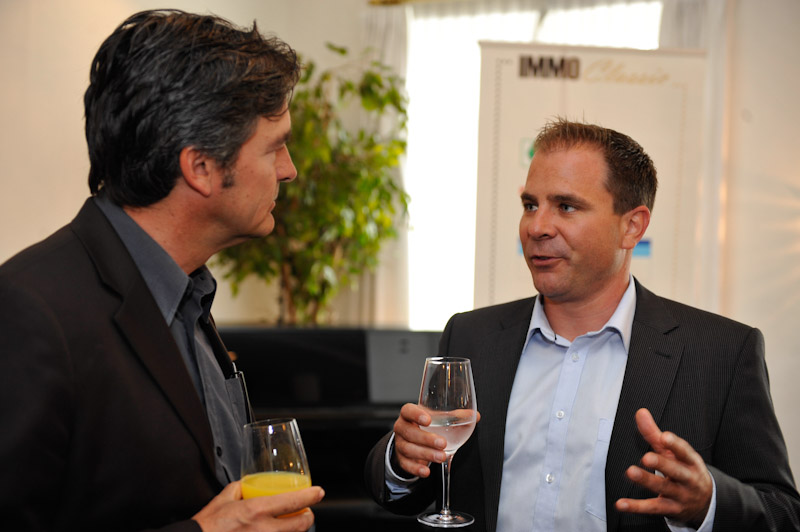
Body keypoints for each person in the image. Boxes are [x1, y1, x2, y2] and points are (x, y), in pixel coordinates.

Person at [365, 118, 800, 531]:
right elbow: (405, 492)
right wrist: (401, 460)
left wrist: (707, 504)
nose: (536, 227)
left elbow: (782, 512)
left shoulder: (721, 353)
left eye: (566, 206)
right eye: (530, 205)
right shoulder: (472, 335)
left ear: (632, 227)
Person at [0, 9, 324, 532]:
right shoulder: (28, 313)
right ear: (200, 168)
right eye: (274, 147)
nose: (290, 170)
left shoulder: (186, 294)